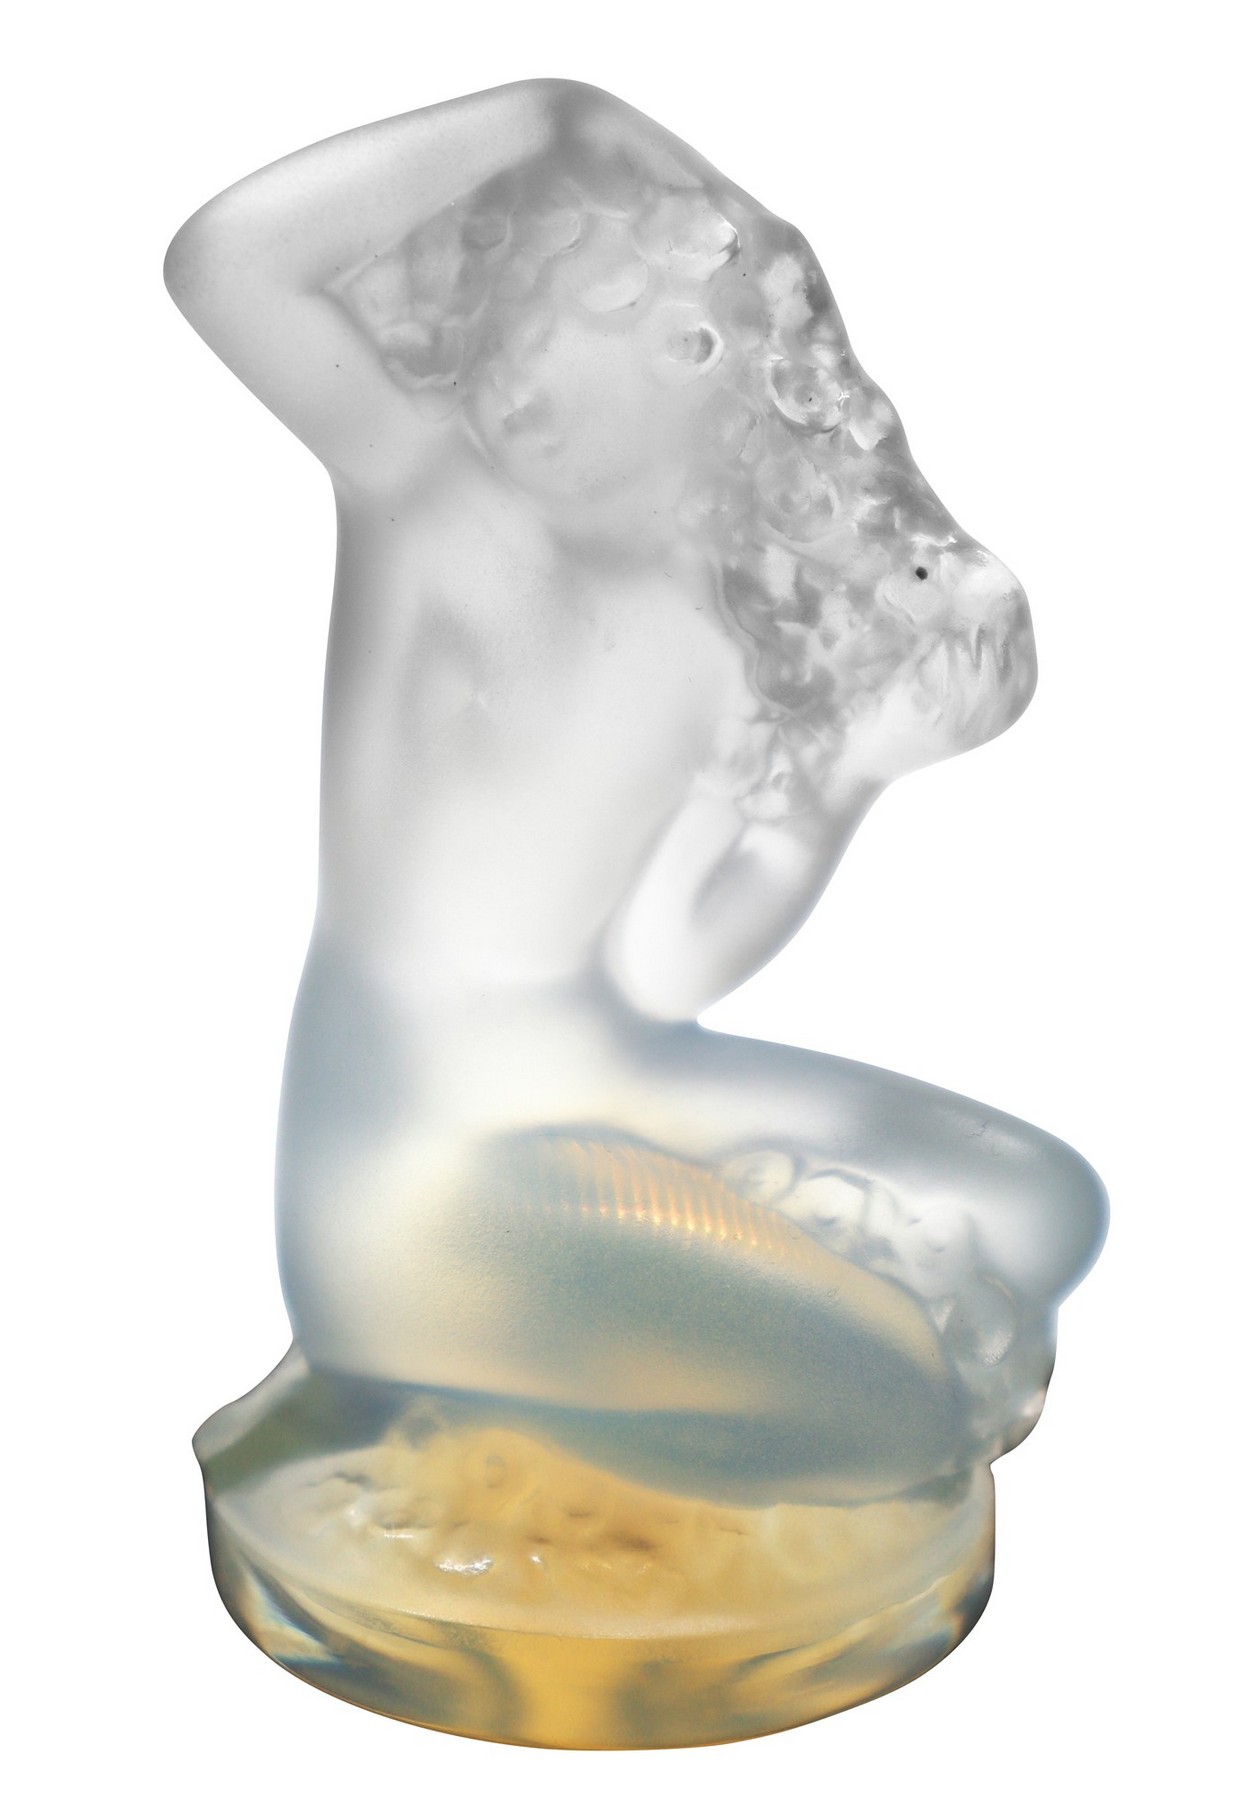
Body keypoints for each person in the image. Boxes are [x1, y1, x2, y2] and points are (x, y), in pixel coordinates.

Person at [166, 80, 1104, 1473]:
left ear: (708, 374)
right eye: (514, 334)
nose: (520, 381)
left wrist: (852, 774)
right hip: (420, 1178)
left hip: (614, 1091)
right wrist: (548, 118)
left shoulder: (711, 638)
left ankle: (721, 1337)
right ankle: (541, 1393)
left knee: (1044, 1208)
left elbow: (665, 974)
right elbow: (225, 264)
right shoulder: (450, 517)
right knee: (914, 1414)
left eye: (577, 338)